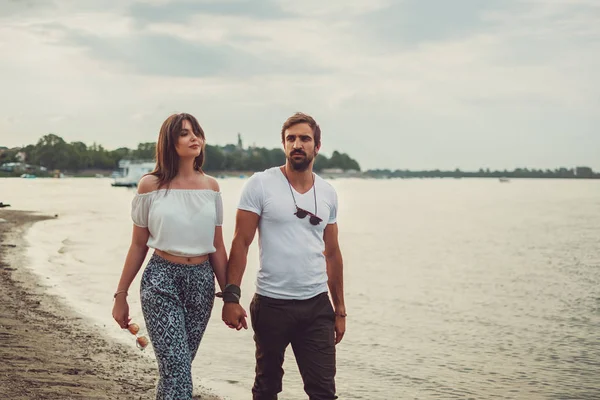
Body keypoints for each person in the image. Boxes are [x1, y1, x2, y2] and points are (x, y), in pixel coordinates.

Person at [221, 112, 346, 400]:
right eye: (291, 139)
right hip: (271, 304)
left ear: (317, 146)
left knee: (324, 392)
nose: (297, 144)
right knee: (267, 387)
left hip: (316, 306)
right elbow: (241, 242)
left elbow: (333, 254)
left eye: (305, 138)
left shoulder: (328, 193)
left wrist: (339, 310)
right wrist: (231, 297)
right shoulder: (260, 184)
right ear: (283, 144)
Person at [111, 113, 227, 400]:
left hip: (201, 283)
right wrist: (121, 294)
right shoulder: (149, 186)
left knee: (178, 369)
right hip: (161, 280)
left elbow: (218, 247)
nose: (194, 138)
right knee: (177, 371)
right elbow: (138, 245)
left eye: (197, 132)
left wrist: (231, 296)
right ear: (169, 142)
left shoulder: (212, 188)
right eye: (185, 133)